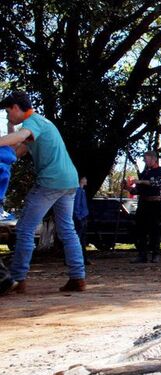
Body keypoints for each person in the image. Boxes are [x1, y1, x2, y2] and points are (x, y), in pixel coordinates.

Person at [0, 90, 86, 295]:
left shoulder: (32, 123)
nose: (7, 115)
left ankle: (17, 279)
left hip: (51, 182)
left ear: (15, 108)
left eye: (7, 112)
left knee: (24, 229)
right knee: (67, 229)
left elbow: (20, 136)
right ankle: (78, 277)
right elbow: (15, 153)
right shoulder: (43, 124)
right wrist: (10, 128)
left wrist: (12, 134)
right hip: (69, 181)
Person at [123, 151, 161, 263]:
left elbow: (157, 183)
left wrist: (140, 181)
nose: (145, 161)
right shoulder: (145, 172)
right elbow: (138, 190)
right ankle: (142, 254)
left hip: (154, 204)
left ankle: (155, 254)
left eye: (146, 159)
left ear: (153, 159)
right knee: (140, 229)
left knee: (154, 229)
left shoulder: (160, 171)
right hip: (143, 203)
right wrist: (127, 188)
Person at [73, 176, 92, 265]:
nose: (86, 180)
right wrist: (79, 217)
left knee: (82, 240)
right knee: (78, 239)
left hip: (83, 216)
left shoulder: (82, 191)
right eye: (85, 178)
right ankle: (75, 259)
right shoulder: (78, 191)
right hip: (80, 217)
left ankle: (83, 259)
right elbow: (76, 205)